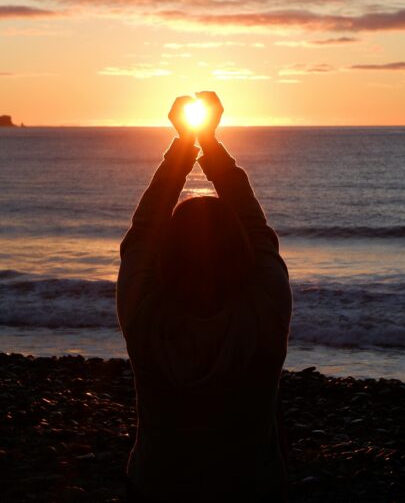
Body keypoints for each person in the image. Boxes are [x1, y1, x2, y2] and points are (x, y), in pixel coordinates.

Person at [117, 92, 293, 502]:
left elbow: (143, 234)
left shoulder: (146, 317)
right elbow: (256, 228)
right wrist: (209, 143)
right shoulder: (264, 312)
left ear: (168, 255)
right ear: (241, 252)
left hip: (158, 486)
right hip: (251, 487)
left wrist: (183, 147)